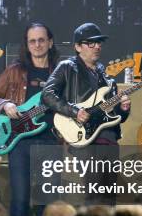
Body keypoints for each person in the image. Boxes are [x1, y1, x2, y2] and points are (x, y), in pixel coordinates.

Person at [42, 22, 131, 203]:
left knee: (109, 196)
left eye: (99, 42)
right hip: (85, 138)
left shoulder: (106, 77)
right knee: (93, 193)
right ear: (77, 46)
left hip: (109, 139)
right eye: (91, 43)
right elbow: (47, 94)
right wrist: (74, 111)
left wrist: (123, 109)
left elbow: (114, 117)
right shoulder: (68, 67)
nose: (97, 46)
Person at [0, 22, 59, 216]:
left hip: (50, 141)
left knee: (49, 202)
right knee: (20, 201)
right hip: (20, 142)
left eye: (41, 40)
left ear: (50, 43)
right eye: (32, 41)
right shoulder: (14, 71)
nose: (37, 45)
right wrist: (5, 105)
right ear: (27, 44)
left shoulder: (61, 73)